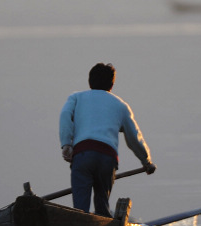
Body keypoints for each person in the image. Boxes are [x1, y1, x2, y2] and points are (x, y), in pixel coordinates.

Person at [59, 63, 156, 217]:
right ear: (112, 84)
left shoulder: (76, 97)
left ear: (89, 81)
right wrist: (146, 161)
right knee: (102, 203)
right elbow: (134, 138)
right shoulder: (120, 105)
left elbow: (65, 116)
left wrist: (66, 144)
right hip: (107, 158)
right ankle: (103, 224)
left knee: (80, 210)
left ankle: (81, 224)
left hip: (82, 155)